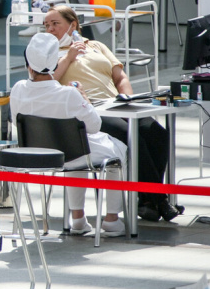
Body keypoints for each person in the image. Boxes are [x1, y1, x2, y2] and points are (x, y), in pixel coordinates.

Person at [41, 6, 178, 221]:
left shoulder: (96, 46)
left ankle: (147, 201)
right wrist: (68, 57)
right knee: (132, 138)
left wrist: (128, 100)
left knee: (156, 133)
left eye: (55, 23)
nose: (50, 29)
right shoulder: (50, 53)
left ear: (72, 24)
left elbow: (120, 77)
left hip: (116, 103)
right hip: (88, 109)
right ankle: (157, 199)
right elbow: (48, 82)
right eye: (46, 25)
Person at [11, 34, 127, 236]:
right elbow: (95, 126)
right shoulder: (68, 94)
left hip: (36, 155)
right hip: (71, 154)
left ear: (28, 65)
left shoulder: (18, 89)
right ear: (55, 64)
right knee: (116, 151)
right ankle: (111, 218)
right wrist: (84, 97)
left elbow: (16, 121)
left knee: (76, 149)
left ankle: (78, 218)